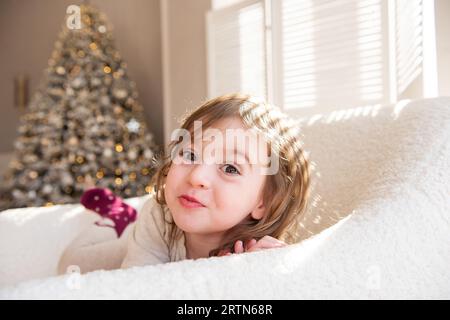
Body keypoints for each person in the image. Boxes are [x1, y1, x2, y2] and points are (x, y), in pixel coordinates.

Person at [57, 93, 311, 274]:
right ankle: (118, 214)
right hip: (149, 235)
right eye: (190, 155)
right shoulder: (159, 217)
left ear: (263, 203)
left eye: (230, 168)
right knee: (70, 263)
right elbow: (138, 291)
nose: (197, 176)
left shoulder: (259, 253)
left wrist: (249, 273)